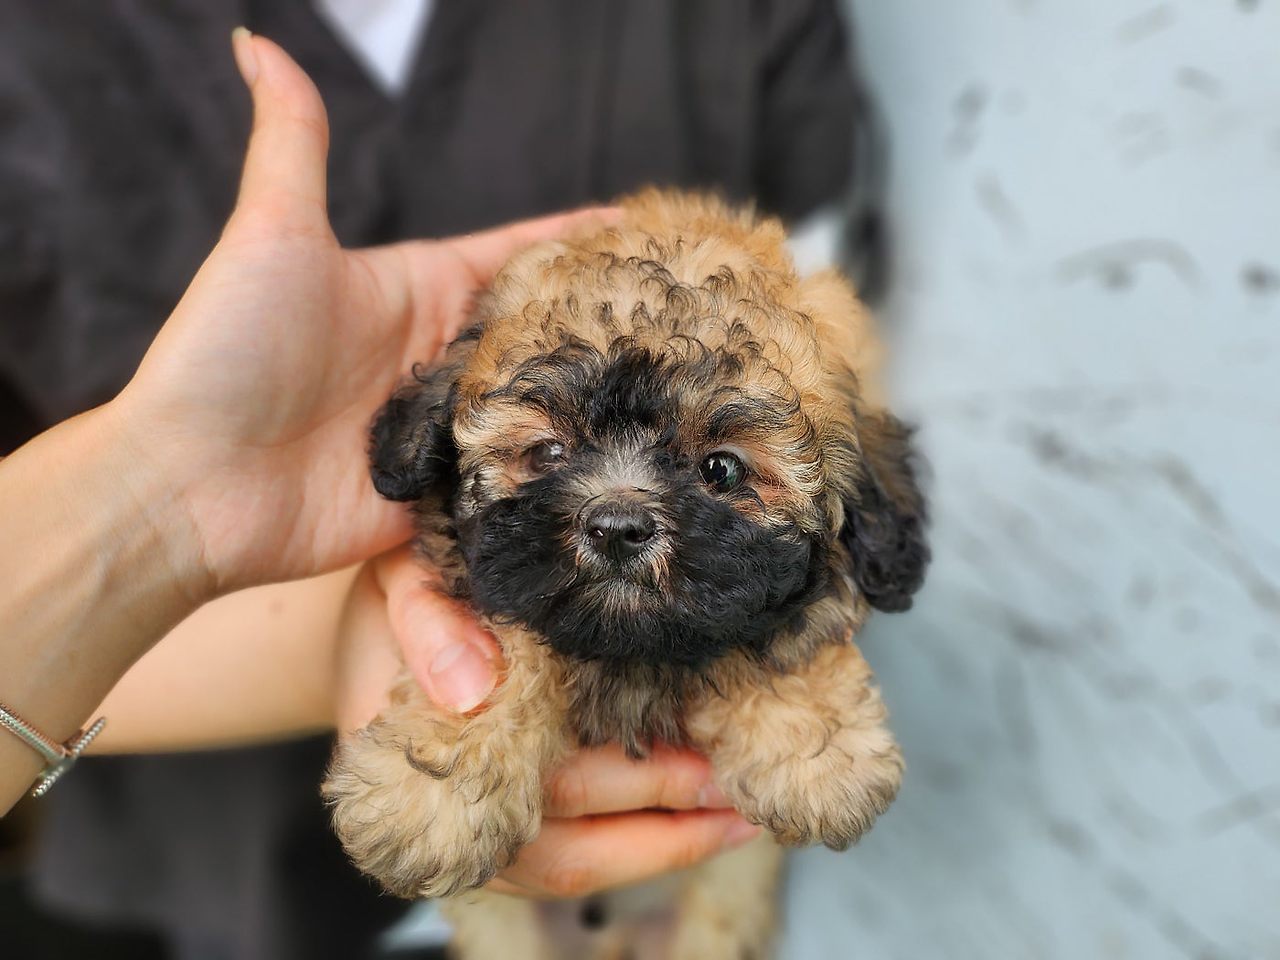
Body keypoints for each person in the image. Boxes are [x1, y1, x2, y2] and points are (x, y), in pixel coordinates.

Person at [1, 3, 871, 957]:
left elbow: (833, 397)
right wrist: (182, 517)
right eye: (545, 455)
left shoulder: (741, 24)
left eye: (716, 469)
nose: (620, 508)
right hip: (215, 870)